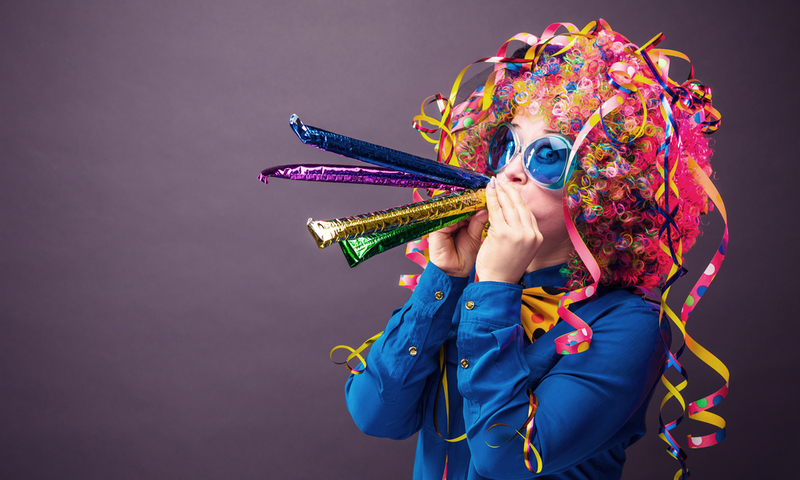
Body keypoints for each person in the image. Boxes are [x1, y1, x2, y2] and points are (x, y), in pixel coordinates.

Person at [343, 20, 724, 480]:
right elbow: (375, 415)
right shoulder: (467, 286)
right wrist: (442, 278)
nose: (513, 172)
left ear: (605, 189)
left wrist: (497, 288)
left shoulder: (631, 327)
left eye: (548, 155)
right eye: (508, 145)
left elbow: (504, 458)